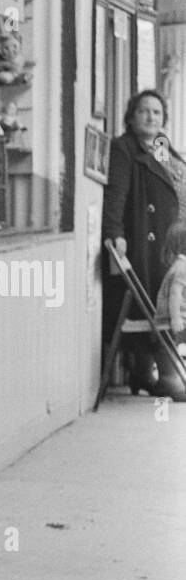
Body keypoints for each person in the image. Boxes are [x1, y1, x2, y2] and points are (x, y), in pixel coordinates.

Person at [102, 90, 186, 393]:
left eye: (157, 113)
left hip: (171, 241)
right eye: (144, 111)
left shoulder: (161, 145)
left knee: (170, 298)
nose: (151, 117)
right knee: (158, 301)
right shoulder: (124, 148)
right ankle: (166, 375)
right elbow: (116, 195)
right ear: (131, 116)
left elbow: (173, 180)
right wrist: (114, 234)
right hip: (144, 241)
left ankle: (141, 371)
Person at [152, 219, 186, 400]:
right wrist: (175, 319)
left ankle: (174, 376)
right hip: (172, 318)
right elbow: (175, 294)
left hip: (174, 316)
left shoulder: (180, 265)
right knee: (170, 345)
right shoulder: (182, 268)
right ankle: (172, 378)